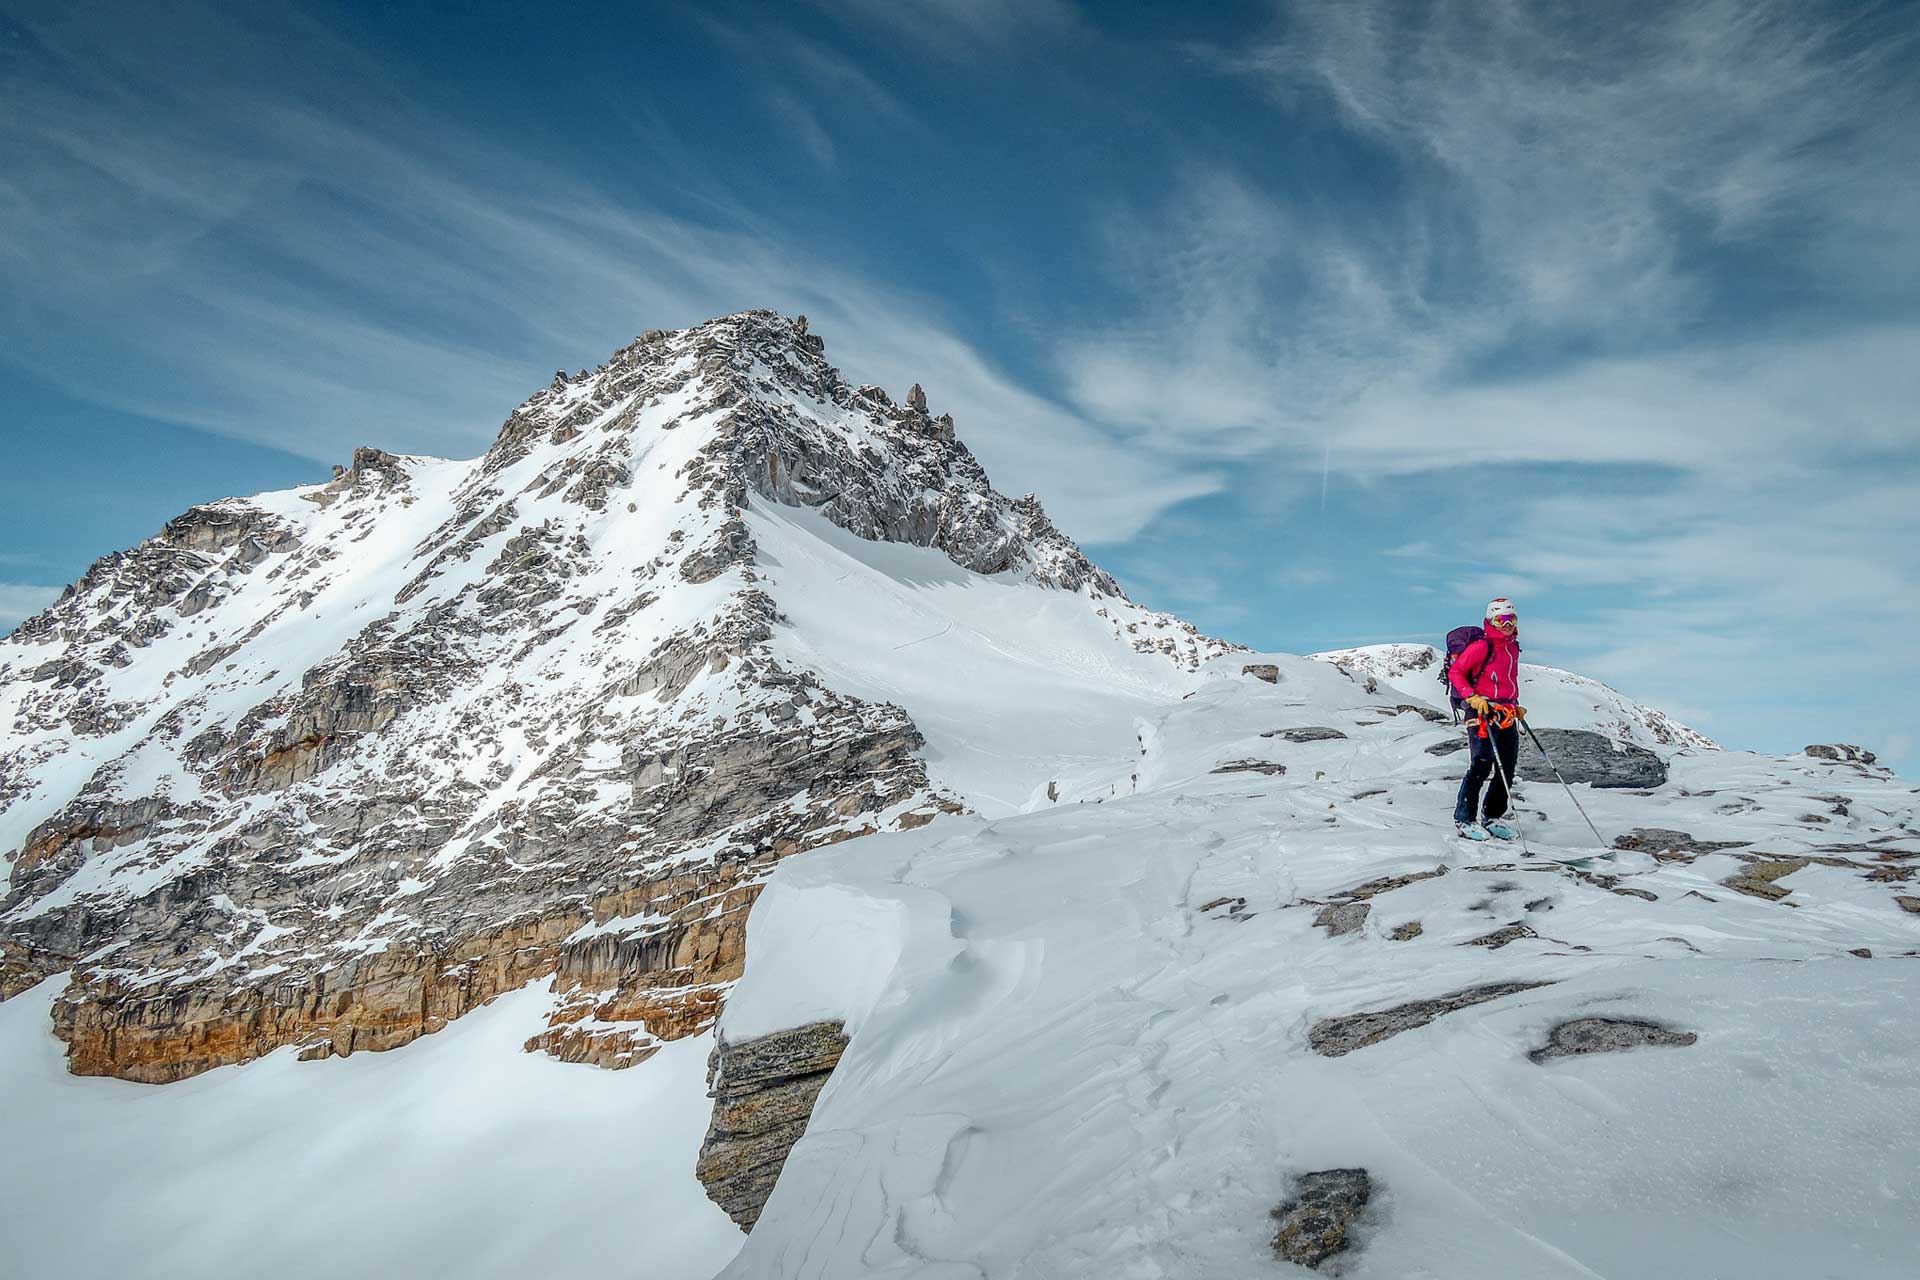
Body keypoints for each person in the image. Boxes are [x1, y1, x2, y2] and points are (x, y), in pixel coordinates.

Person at [1449, 598, 1528, 841]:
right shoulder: (1483, 646)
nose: (1506, 624)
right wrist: (1472, 698)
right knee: (1481, 765)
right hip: (1481, 711)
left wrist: (1514, 704)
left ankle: (1492, 816)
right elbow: (1456, 672)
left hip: (1506, 713)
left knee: (1507, 768)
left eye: (1511, 619)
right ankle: (1464, 818)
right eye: (1501, 620)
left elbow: (1506, 680)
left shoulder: (1512, 647)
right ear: (1491, 621)